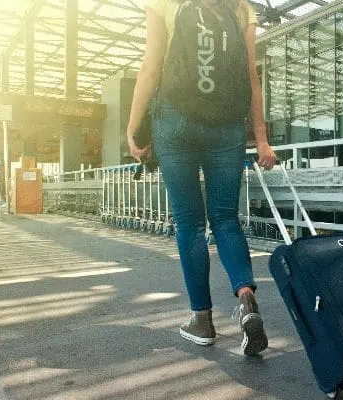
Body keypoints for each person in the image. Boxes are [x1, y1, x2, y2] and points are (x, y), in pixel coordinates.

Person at [127, 0, 277, 355]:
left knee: (190, 224)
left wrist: (133, 127)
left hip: (175, 123)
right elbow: (251, 76)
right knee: (225, 219)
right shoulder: (240, 7)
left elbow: (151, 67)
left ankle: (202, 319)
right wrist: (262, 140)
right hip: (226, 127)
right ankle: (246, 300)